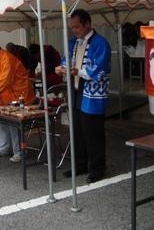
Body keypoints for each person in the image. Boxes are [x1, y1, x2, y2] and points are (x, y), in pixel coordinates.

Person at [55, 9, 111, 184]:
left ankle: (97, 168)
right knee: (77, 130)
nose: (74, 30)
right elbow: (66, 61)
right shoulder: (74, 42)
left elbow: (99, 70)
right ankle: (80, 165)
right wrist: (61, 68)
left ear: (88, 24)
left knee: (93, 133)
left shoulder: (101, 43)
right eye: (72, 27)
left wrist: (76, 71)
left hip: (92, 93)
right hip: (76, 89)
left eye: (77, 27)